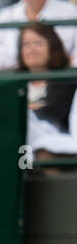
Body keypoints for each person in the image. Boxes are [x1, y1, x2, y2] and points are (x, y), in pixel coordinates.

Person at [20, 20, 77, 154]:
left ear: (53, 47)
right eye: (26, 44)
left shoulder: (67, 81)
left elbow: (54, 116)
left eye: (38, 43)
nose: (31, 49)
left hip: (52, 141)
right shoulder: (11, 82)